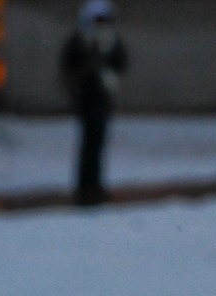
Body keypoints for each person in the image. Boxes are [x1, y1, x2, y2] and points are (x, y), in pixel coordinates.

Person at [60, 0, 126, 206]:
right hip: (85, 97)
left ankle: (94, 184)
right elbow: (69, 67)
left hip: (101, 97)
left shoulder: (111, 42)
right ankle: (85, 186)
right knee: (88, 142)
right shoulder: (80, 41)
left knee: (98, 142)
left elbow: (120, 64)